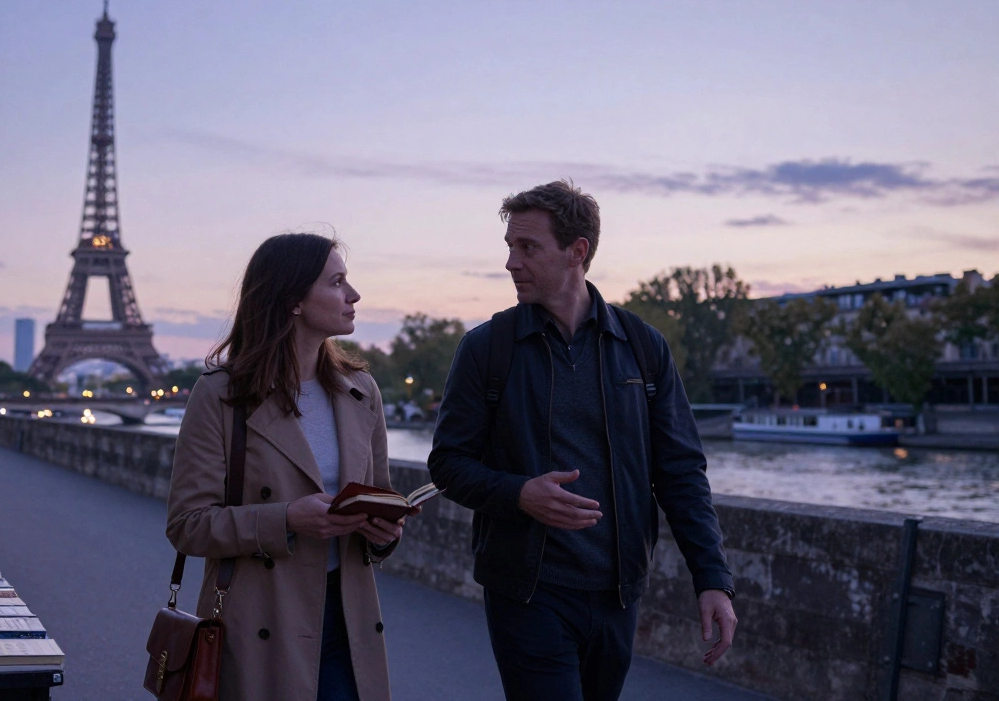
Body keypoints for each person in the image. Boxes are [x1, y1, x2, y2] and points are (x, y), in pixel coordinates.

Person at [428, 180, 737, 701]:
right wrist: (520, 494)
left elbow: (681, 473)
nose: (510, 262)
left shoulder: (642, 347)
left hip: (618, 596)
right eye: (509, 246)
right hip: (527, 593)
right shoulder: (488, 349)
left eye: (527, 247)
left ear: (578, 251)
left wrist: (713, 578)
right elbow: (448, 463)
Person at [166, 233, 402, 701]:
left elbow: (381, 496)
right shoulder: (220, 395)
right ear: (293, 299)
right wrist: (287, 518)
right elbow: (187, 525)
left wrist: (385, 533)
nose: (353, 295)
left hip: (348, 619)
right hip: (261, 620)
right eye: (337, 282)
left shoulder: (361, 393)